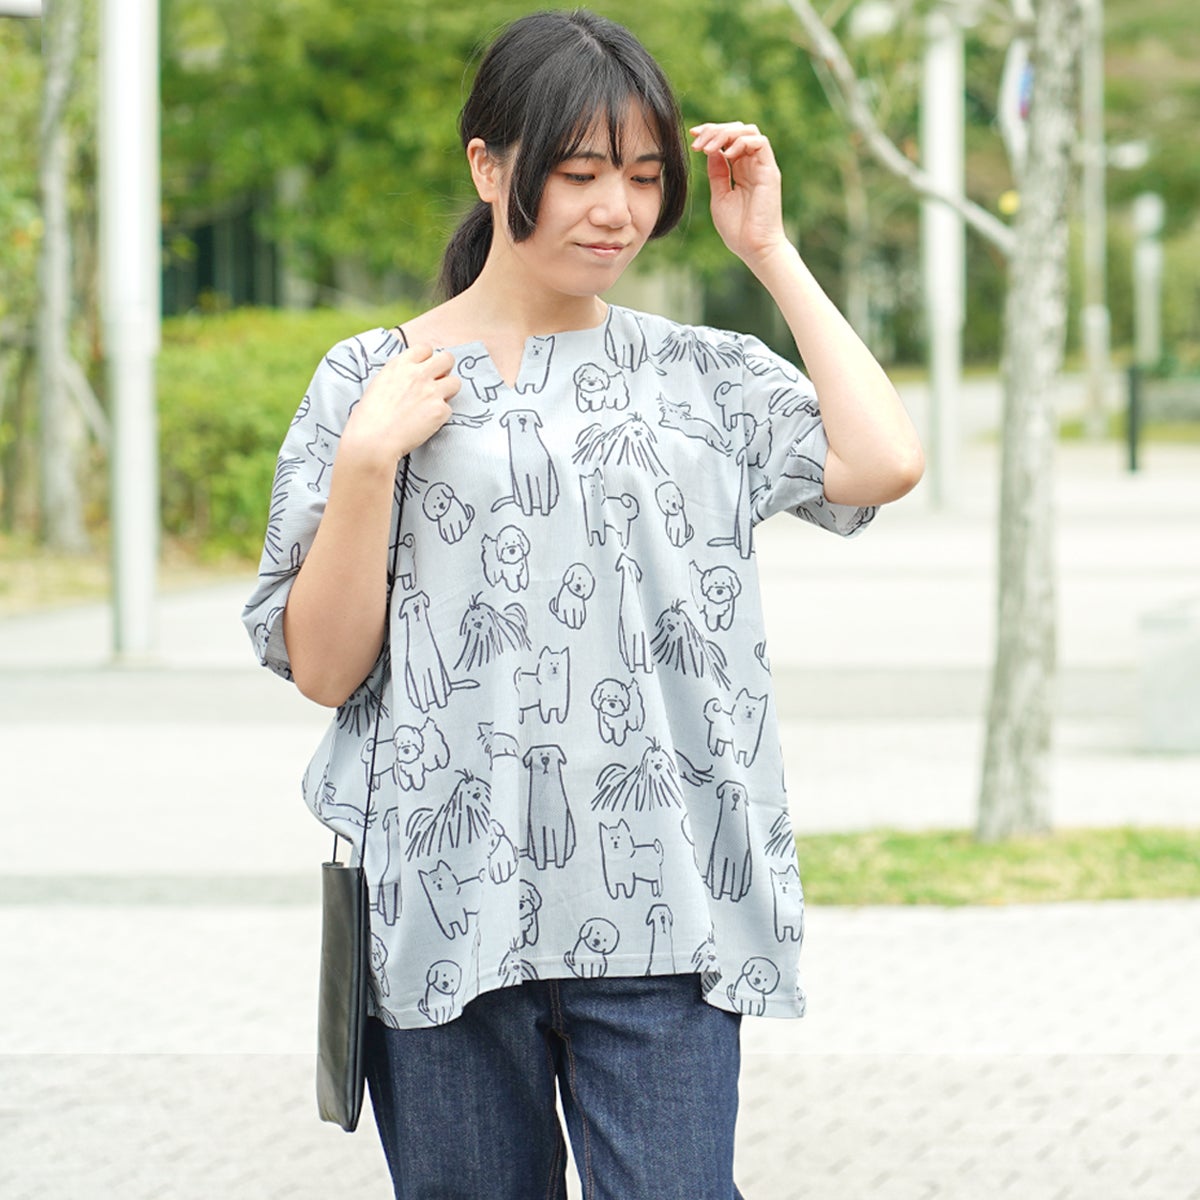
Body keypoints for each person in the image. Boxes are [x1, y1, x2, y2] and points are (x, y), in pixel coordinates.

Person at [243, 9, 922, 1199]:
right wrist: (366, 463)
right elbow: (325, 670)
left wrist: (770, 250)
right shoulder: (370, 382)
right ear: (489, 165)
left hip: (666, 903)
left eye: (645, 177)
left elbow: (883, 462)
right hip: (447, 905)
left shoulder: (702, 373)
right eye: (581, 172)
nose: (618, 209)